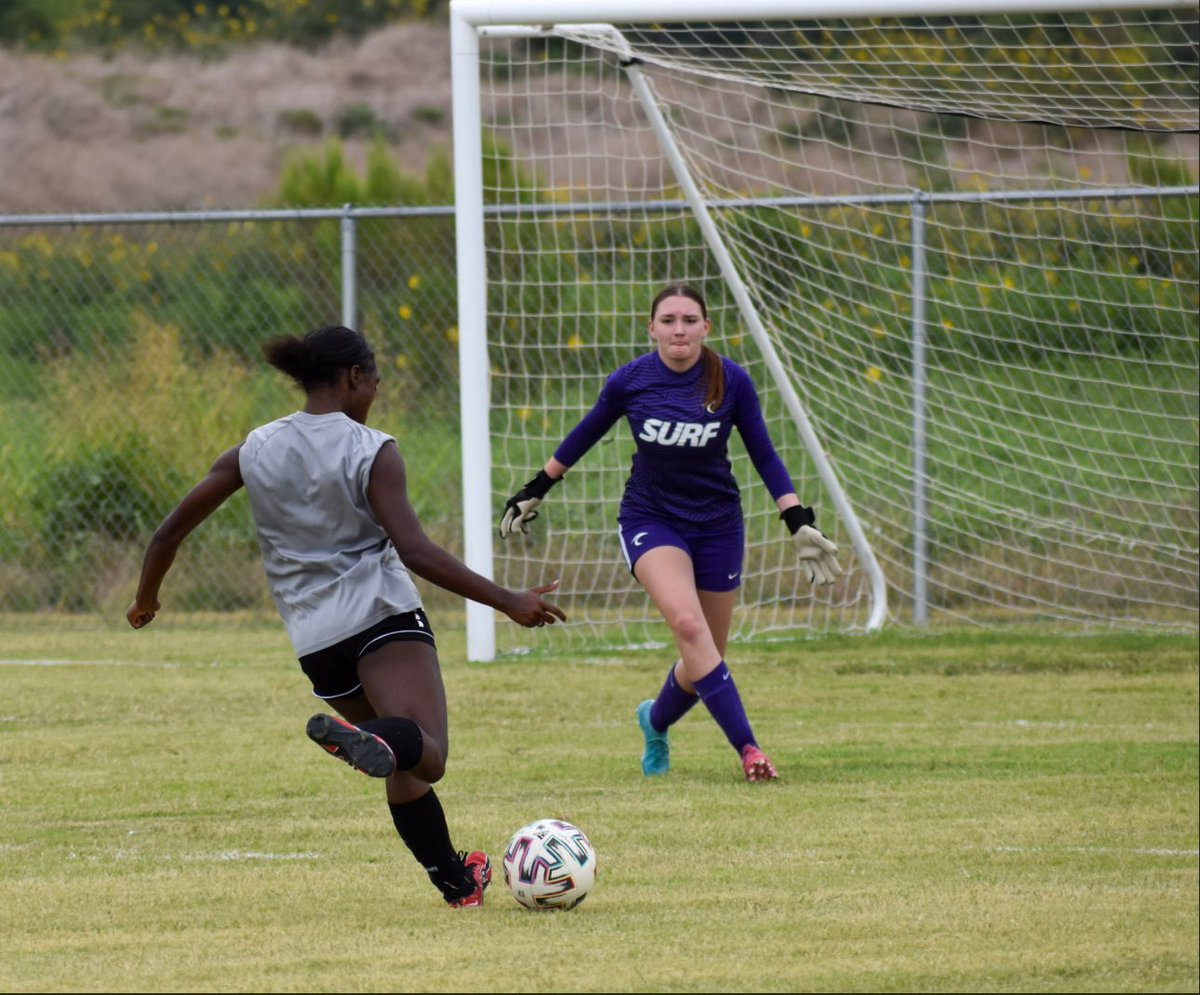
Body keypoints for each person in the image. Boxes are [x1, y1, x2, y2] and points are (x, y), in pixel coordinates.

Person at [126, 324, 565, 908]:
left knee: (397, 761)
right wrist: (506, 598)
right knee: (426, 753)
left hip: (315, 641)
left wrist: (146, 599)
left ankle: (458, 883)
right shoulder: (372, 450)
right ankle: (371, 738)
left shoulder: (252, 449)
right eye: (375, 380)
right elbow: (414, 549)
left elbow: (167, 533)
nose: (376, 392)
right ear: (354, 377)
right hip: (381, 617)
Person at [498, 284, 841, 782]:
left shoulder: (733, 381)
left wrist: (796, 518)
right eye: (668, 320)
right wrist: (536, 487)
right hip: (650, 519)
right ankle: (750, 750)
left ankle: (654, 720)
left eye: (689, 319)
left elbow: (764, 454)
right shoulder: (630, 381)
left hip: (718, 524)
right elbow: (586, 433)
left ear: (706, 327)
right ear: (651, 328)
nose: (678, 329)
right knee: (688, 627)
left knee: (705, 656)